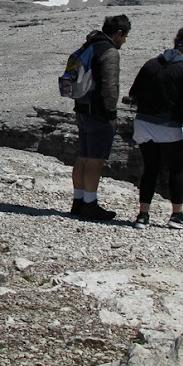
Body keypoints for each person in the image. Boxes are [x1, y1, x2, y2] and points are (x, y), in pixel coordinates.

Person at [129, 28, 183, 230]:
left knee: (150, 169)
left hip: (143, 125)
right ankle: (177, 216)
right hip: (170, 128)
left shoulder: (151, 64)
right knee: (176, 171)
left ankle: (142, 216)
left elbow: (133, 92)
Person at [70, 14, 131, 220]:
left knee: (83, 157)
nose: (125, 41)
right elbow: (110, 87)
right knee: (95, 161)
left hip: (81, 109)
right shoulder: (109, 52)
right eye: (125, 36)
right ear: (119, 33)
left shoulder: (89, 45)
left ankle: (78, 202)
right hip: (98, 112)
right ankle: (90, 205)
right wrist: (111, 114)